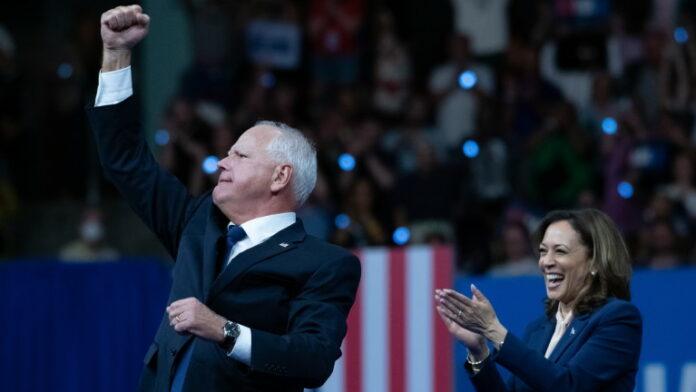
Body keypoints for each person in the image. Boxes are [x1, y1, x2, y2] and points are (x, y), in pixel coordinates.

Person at [86, 6, 361, 392]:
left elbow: (313, 359)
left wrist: (223, 329)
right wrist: (116, 54)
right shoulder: (195, 221)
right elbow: (126, 160)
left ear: (281, 176)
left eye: (240, 155)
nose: (221, 163)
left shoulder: (326, 264)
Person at [435, 208, 642, 391]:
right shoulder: (538, 330)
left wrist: (493, 329)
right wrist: (478, 350)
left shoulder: (617, 319)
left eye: (560, 251)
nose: (546, 262)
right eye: (543, 251)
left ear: (594, 263)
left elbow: (569, 386)